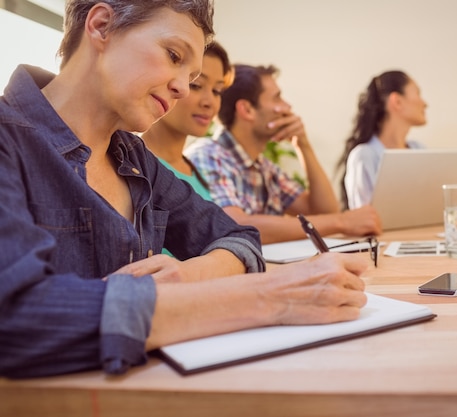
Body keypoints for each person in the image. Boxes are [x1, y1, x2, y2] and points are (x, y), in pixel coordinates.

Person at [0, 0, 368, 379]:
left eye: (190, 77)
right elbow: (15, 318)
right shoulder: (7, 140)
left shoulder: (133, 157)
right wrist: (269, 296)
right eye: (173, 55)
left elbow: (236, 234)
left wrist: (191, 276)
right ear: (101, 25)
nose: (180, 89)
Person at [184, 64, 382, 244]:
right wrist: (343, 222)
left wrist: (303, 145)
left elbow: (324, 212)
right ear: (247, 110)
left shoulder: (264, 167)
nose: (287, 107)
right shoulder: (207, 156)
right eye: (277, 98)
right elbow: (236, 224)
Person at [142, 41, 233, 202]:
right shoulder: (137, 167)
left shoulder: (199, 170)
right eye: (196, 85)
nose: (209, 102)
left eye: (216, 91)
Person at [336, 70, 428, 210]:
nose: (425, 103)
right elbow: (363, 222)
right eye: (418, 93)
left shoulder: (419, 150)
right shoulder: (364, 156)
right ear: (397, 101)